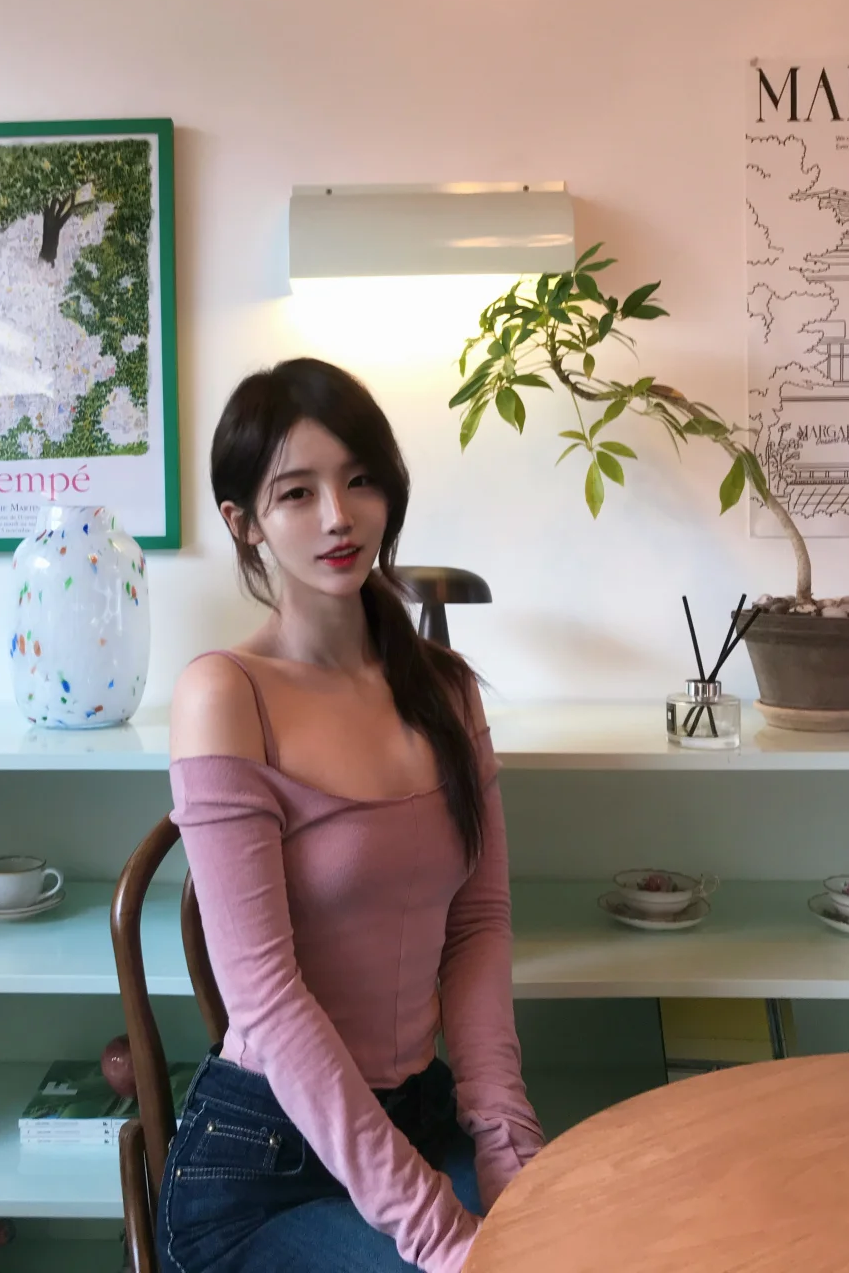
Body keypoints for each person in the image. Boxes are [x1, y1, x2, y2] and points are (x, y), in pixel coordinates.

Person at [159, 358, 543, 1273]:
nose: (339, 515)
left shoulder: (445, 689)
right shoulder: (225, 693)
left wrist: (504, 1141)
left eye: (360, 479)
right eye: (297, 492)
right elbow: (265, 997)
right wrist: (438, 1229)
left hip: (421, 1119)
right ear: (244, 523)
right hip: (264, 1168)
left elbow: (478, 923)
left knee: (577, 1237)